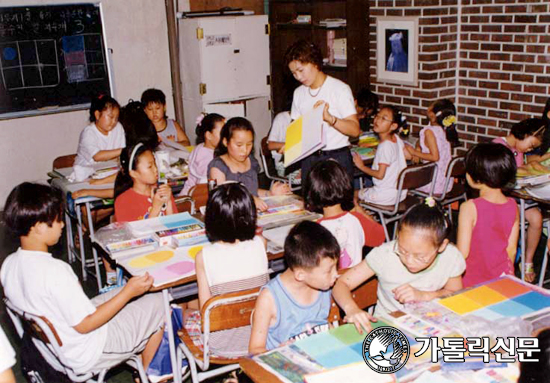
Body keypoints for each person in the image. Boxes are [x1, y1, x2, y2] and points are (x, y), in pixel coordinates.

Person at [1, 183, 164, 375]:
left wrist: (127, 291)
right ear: (37, 227)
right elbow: (86, 325)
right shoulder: (55, 271)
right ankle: (151, 374)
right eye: (57, 219)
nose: (62, 224)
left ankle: (150, 363)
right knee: (161, 300)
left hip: (53, 347)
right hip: (86, 350)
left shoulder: (8, 265)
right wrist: (129, 292)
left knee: (132, 292)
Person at [332, 200, 466, 332]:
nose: (409, 261)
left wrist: (423, 296)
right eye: (402, 250)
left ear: (441, 246)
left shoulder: (450, 257)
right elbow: (341, 283)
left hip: (432, 324)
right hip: (389, 326)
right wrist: (352, 309)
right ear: (398, 236)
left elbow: (455, 294)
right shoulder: (384, 255)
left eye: (420, 257)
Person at [190, 182, 269, 357]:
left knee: (185, 313)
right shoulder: (261, 243)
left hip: (221, 347)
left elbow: (206, 310)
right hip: (262, 338)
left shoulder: (203, 256)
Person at [249, 221, 340, 354]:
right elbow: (254, 350)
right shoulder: (270, 298)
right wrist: (278, 352)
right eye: (329, 271)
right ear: (301, 275)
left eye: (336, 267)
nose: (336, 275)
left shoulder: (324, 285)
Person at [284, 40, 360, 183]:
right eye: (294, 73)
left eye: (301, 70)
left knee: (339, 204)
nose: (298, 77)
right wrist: (290, 145)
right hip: (310, 159)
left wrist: (330, 119)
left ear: (315, 63)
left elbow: (355, 130)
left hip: (336, 158)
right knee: (311, 204)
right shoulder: (299, 93)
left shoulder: (339, 89)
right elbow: (296, 127)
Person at [457, 143, 519, 288]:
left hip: (473, 280)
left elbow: (462, 254)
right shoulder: (512, 205)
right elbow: (512, 250)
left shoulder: (469, 207)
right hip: (502, 279)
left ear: (473, 176)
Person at [304, 159, 385, 269]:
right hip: (354, 280)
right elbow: (380, 236)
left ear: (312, 192)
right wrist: (361, 211)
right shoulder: (357, 219)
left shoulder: (316, 229)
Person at [493, 118, 546, 282]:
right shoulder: (498, 147)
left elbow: (519, 168)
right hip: (502, 197)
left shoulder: (518, 149)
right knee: (515, 218)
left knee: (537, 218)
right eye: (530, 145)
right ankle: (508, 259)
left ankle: (528, 260)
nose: (530, 149)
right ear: (523, 134)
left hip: (518, 196)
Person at [208, 117, 290, 211]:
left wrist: (271, 194)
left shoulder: (251, 161)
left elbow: (253, 191)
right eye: (239, 145)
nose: (245, 150)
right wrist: (249, 199)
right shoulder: (218, 167)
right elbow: (223, 201)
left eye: (249, 144)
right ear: (225, 142)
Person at [353, 105, 410, 205]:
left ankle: (366, 219)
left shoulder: (385, 146)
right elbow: (409, 156)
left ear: (393, 126)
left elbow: (380, 175)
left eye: (383, 118)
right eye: (377, 116)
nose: (377, 120)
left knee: (353, 194)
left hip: (384, 196)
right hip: (400, 193)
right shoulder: (396, 138)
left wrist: (361, 166)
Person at [405, 99, 459, 195]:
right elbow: (421, 142)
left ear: (432, 115)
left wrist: (414, 152)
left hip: (432, 183)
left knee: (402, 178)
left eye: (430, 106)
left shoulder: (429, 132)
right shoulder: (445, 129)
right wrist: (418, 148)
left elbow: (435, 157)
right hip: (446, 184)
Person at [114, 143, 177, 222]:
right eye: (150, 166)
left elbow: (174, 225)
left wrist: (168, 202)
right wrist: (156, 208)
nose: (155, 169)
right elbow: (136, 233)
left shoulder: (161, 190)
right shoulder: (124, 201)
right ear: (134, 173)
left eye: (155, 164)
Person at [73, 94, 125, 183]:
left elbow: (119, 157)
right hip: (86, 176)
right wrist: (124, 150)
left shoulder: (118, 127)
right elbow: (97, 156)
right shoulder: (88, 133)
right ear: (97, 115)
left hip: (108, 173)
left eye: (116, 118)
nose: (114, 122)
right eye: (111, 117)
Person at [179, 113, 225, 196]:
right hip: (196, 198)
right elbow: (205, 186)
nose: (227, 136)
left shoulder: (200, 147)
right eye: (222, 133)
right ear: (208, 135)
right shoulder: (207, 158)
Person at [266, 111, 301, 185]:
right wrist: (289, 145)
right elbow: (270, 145)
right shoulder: (281, 118)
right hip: (284, 164)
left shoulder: (306, 116)